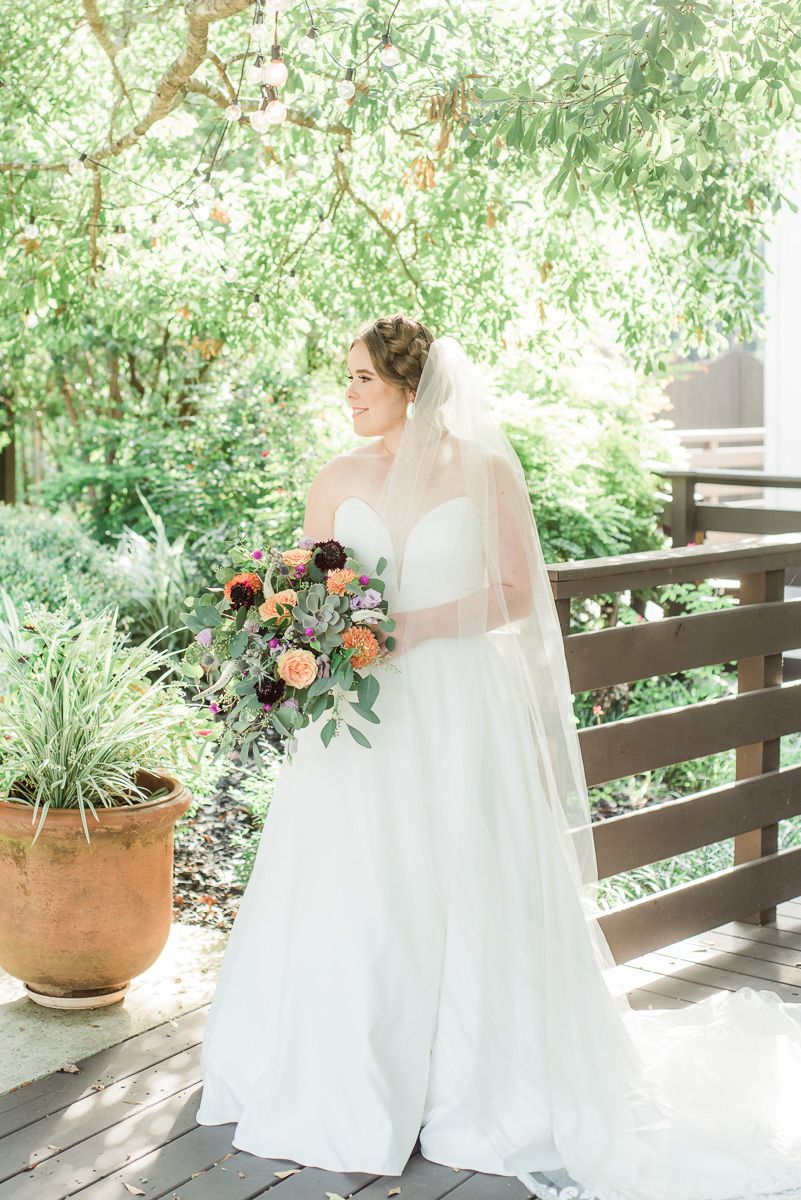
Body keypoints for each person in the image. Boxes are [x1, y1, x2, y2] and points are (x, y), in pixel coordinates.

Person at [196, 315, 801, 1200]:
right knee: (356, 876)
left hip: (457, 704)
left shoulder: (480, 472)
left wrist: (410, 628)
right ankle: (345, 1071)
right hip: (359, 719)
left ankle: (468, 1081)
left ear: (410, 386)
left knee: (464, 872)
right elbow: (303, 582)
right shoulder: (334, 478)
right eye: (349, 379)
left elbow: (519, 592)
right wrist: (307, 643)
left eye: (363, 378)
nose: (351, 393)